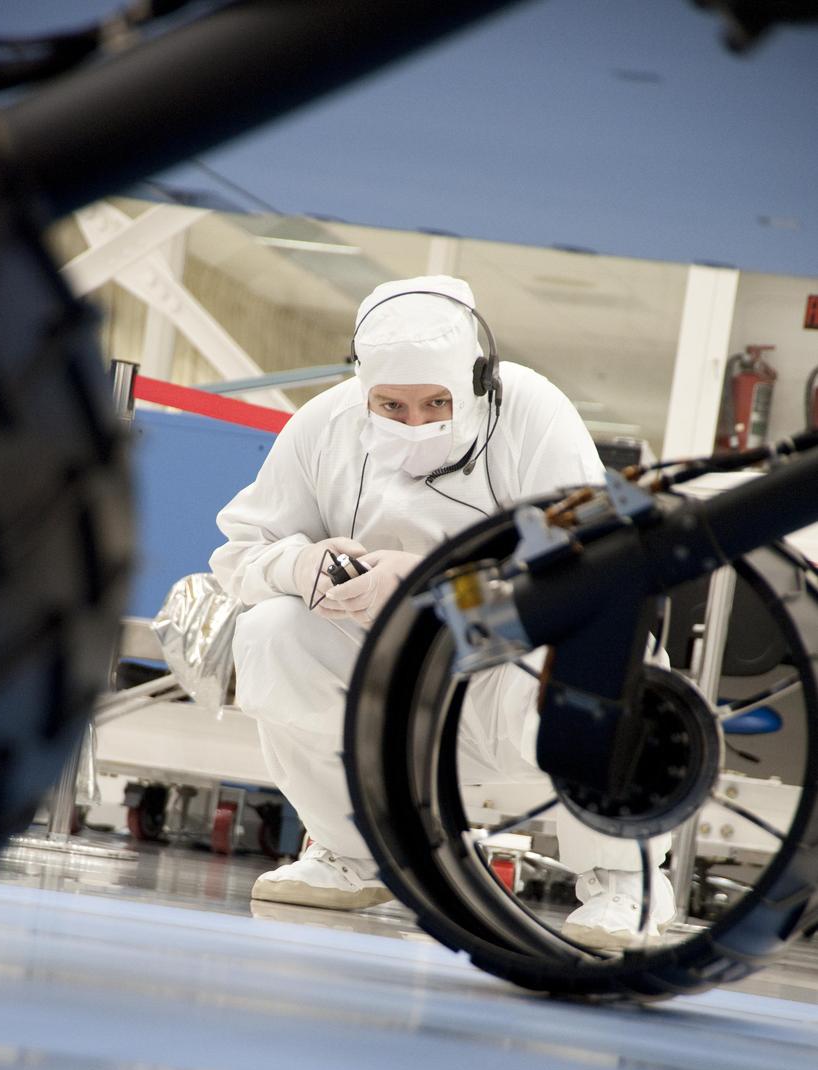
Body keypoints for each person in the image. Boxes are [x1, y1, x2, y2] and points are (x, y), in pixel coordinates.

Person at [209, 275, 675, 947]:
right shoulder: (324, 426)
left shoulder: (533, 413)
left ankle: (623, 879)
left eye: (436, 402)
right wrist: (299, 566)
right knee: (271, 633)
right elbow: (238, 555)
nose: (416, 424)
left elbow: (593, 568)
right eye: (391, 406)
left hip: (506, 673)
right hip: (392, 687)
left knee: (589, 657)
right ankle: (351, 853)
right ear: (361, 384)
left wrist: (436, 585)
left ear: (478, 379)